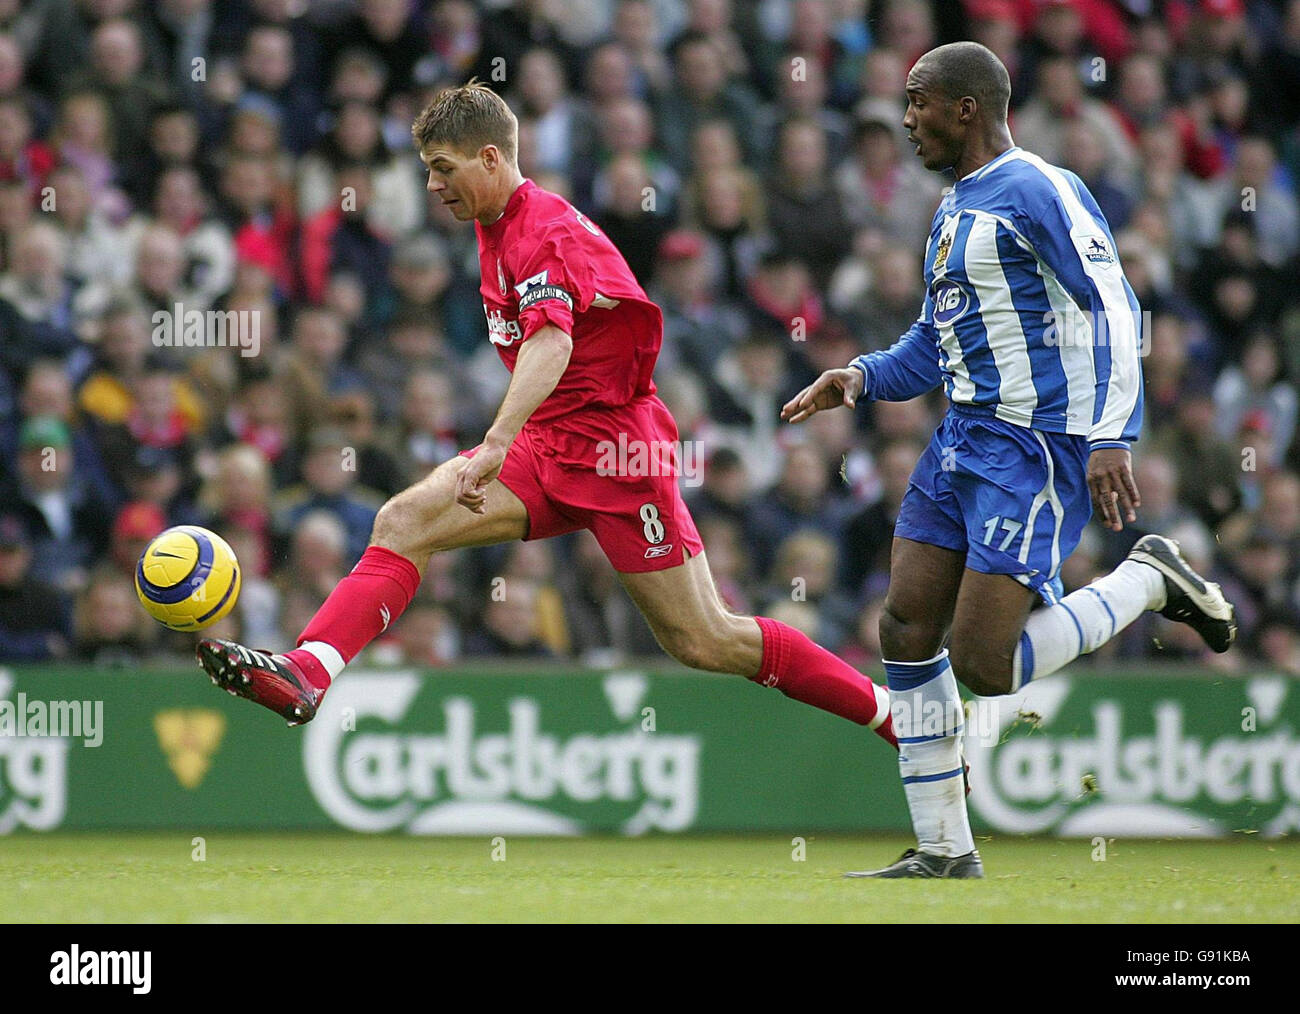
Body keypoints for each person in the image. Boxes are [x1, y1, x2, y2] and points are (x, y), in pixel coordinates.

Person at [193, 82, 897, 772]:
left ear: (492, 159)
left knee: (705, 640)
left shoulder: (545, 231)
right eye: (428, 171)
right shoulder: (493, 226)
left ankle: (889, 713)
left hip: (620, 455)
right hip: (550, 443)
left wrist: (494, 443)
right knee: (404, 520)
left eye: (444, 168)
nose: (435, 186)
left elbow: (552, 343)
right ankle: (307, 671)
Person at [782, 42, 1237, 879]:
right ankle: (946, 849)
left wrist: (1111, 434)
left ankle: (1148, 579)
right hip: (960, 440)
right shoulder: (953, 208)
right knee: (904, 627)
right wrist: (861, 375)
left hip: (1034, 447)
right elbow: (937, 336)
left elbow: (1113, 308)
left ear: (967, 108)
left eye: (918, 102)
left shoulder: (1040, 187)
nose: (907, 118)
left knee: (986, 664)